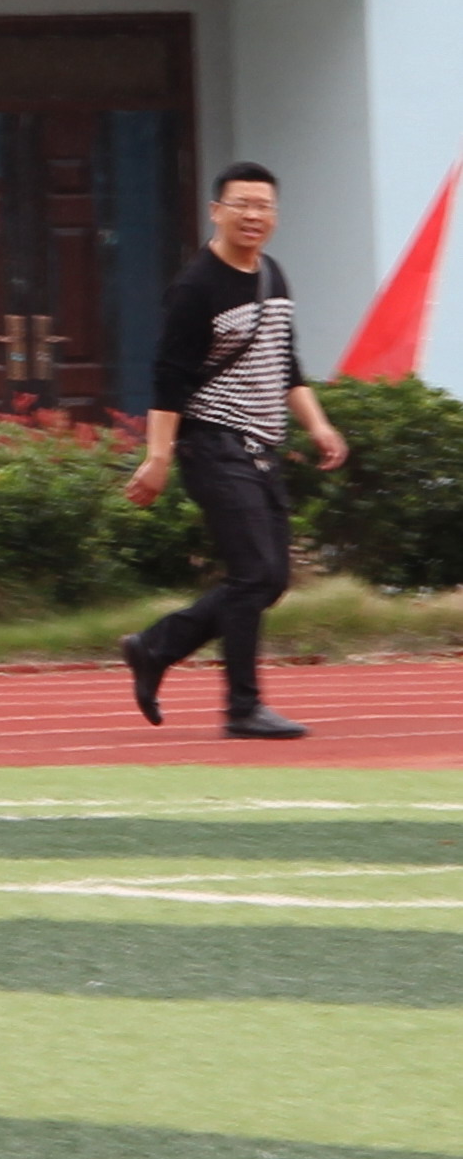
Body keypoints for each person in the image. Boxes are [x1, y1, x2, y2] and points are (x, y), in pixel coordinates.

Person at [120, 162, 348, 740]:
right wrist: (158, 457)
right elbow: (169, 379)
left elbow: (286, 364)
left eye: (263, 205)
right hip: (212, 444)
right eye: (241, 204)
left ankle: (156, 647)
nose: (253, 215)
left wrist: (319, 426)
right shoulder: (196, 287)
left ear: (275, 216)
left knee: (270, 580)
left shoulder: (272, 275)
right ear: (216, 211)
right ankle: (242, 708)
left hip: (260, 448)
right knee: (253, 574)